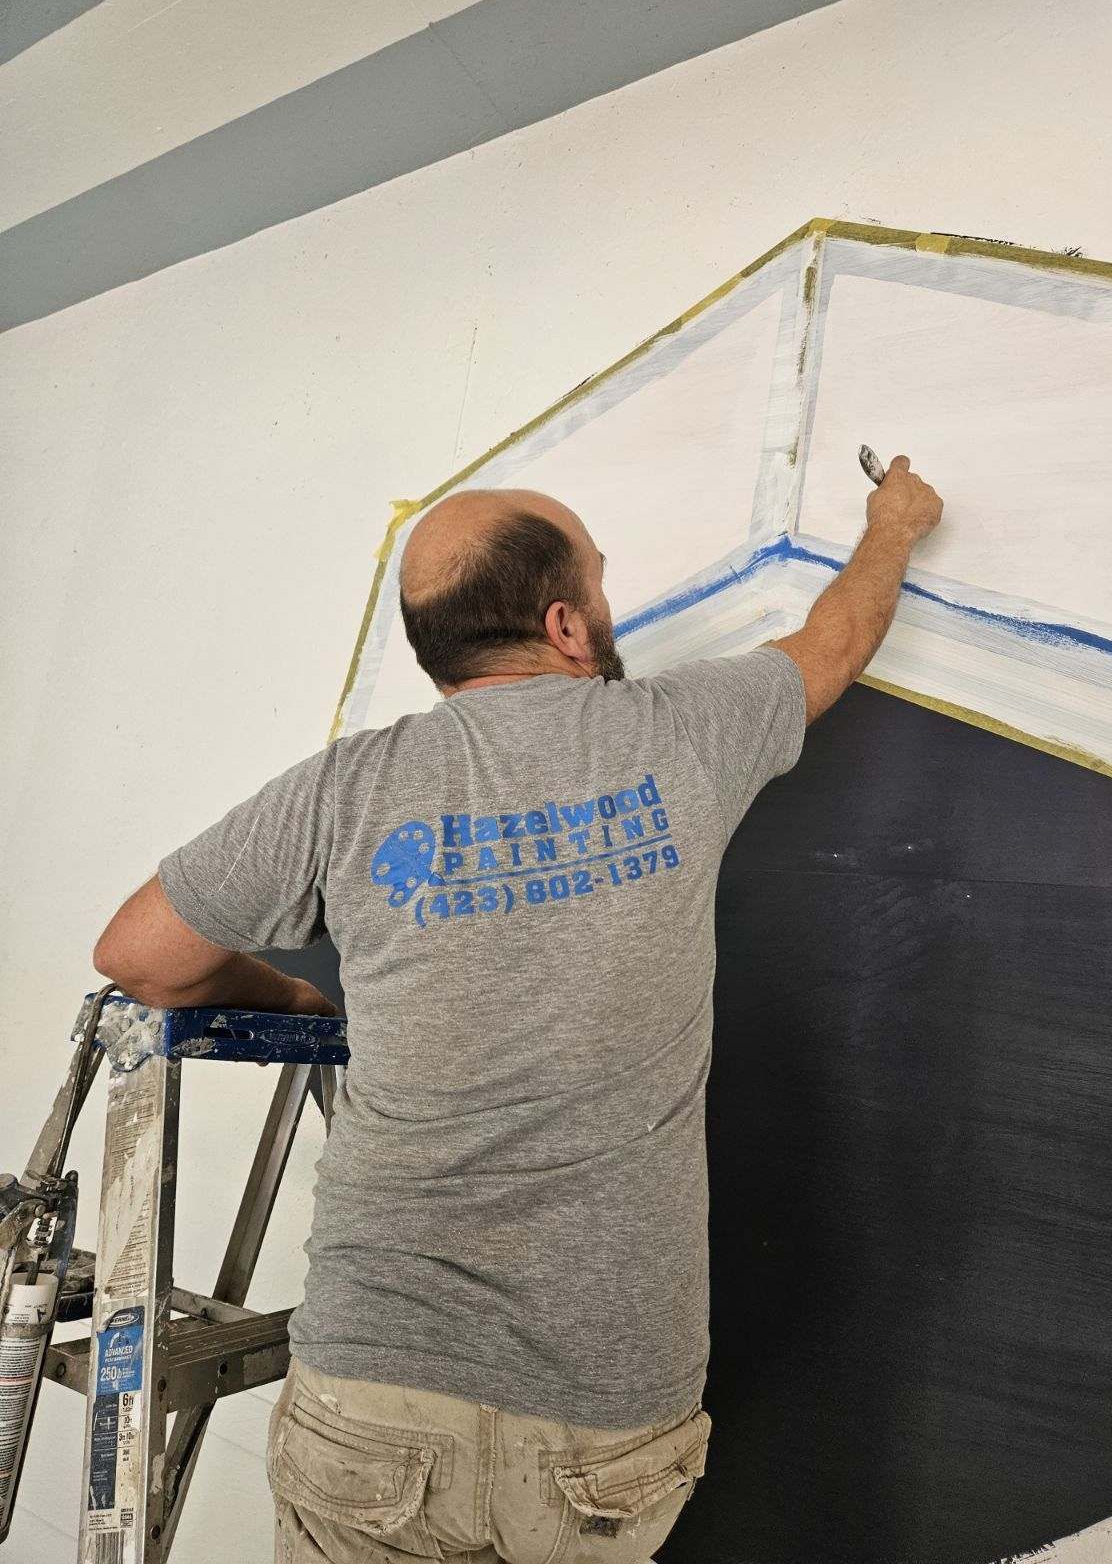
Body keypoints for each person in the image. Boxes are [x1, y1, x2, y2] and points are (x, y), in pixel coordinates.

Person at [94, 457, 942, 1563]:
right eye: (597, 575)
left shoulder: (344, 788)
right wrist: (896, 526)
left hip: (375, 1393)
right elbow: (835, 642)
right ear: (566, 623)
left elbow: (139, 957)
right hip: (605, 1414)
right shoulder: (680, 732)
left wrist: (291, 996)